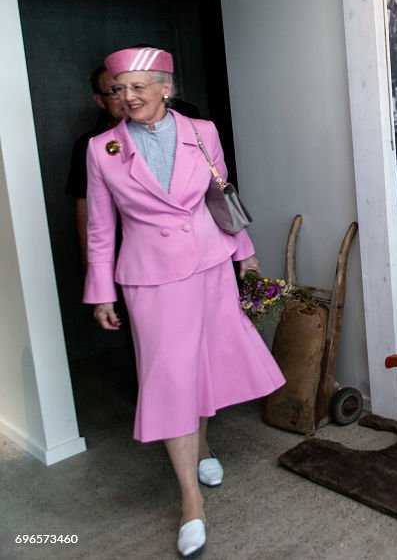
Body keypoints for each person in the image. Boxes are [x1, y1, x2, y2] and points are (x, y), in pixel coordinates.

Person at [83, 47, 284, 557]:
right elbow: (102, 229)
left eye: (136, 87)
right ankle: (191, 500)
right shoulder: (101, 148)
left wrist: (246, 257)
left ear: (165, 86)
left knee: (204, 365)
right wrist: (100, 291)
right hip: (151, 279)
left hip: (210, 265)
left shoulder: (202, 131)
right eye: (118, 88)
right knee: (169, 377)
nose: (126, 97)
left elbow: (222, 197)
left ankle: (204, 445)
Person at [67, 65, 127, 270]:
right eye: (114, 91)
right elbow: (84, 204)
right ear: (100, 101)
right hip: (119, 249)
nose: (125, 97)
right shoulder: (89, 144)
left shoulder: (169, 133)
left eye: (130, 87)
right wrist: (90, 264)